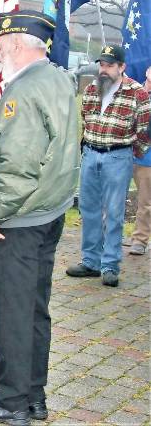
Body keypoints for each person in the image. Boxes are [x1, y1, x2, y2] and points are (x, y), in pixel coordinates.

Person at [0, 11, 79, 426]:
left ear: (16, 44)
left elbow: (17, 164)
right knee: (33, 309)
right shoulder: (59, 79)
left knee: (12, 309)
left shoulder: (25, 91)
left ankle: (12, 402)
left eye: (1, 45)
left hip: (20, 216)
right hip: (49, 210)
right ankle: (33, 396)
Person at [66, 45, 151, 287]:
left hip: (118, 157)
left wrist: (130, 152)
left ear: (122, 67)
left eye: (110, 65)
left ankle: (110, 265)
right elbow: (86, 120)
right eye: (102, 64)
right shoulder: (92, 89)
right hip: (91, 154)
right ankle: (90, 261)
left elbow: (144, 131)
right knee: (89, 209)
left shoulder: (137, 93)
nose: (104, 70)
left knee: (114, 213)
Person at [128, 65, 151, 255]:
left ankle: (140, 240)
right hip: (123, 153)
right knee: (111, 199)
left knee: (145, 202)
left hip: (147, 158)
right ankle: (105, 236)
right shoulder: (133, 92)